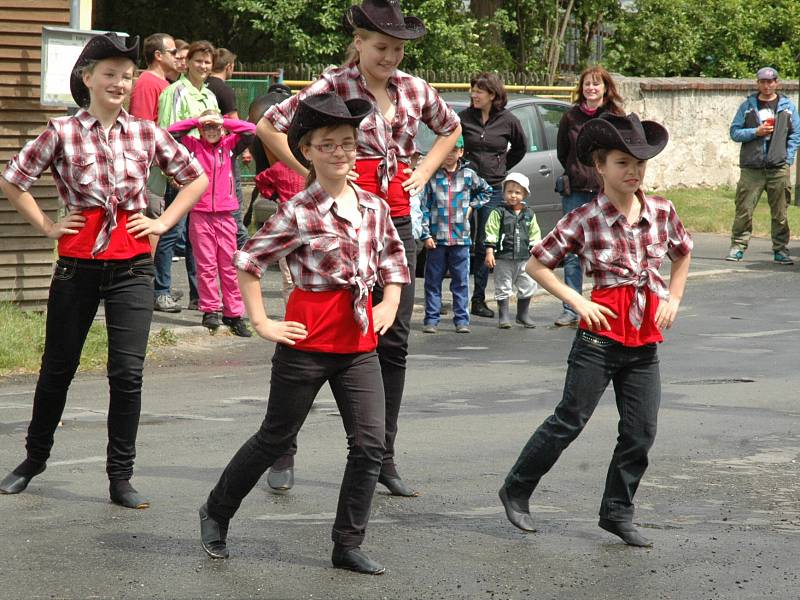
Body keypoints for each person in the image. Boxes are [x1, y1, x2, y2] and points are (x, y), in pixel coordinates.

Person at [198, 93, 409, 574]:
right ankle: (216, 511)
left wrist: (391, 303)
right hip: (306, 341)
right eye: (327, 144)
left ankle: (348, 544)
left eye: (348, 143)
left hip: (358, 342)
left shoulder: (375, 207)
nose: (340, 152)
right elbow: (248, 262)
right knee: (276, 437)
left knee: (371, 443)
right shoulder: (298, 210)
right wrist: (263, 321)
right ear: (308, 152)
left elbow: (395, 260)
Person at [258, 0, 461, 496]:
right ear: (358, 43)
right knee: (309, 335)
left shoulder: (414, 89)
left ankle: (381, 455)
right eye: (380, 47)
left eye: (396, 49)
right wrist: (310, 171)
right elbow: (268, 125)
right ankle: (281, 446)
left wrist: (427, 169)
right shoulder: (331, 86)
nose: (389, 56)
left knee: (392, 342)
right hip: (332, 222)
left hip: (391, 220)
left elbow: (452, 128)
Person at [0, 33, 206, 507]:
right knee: (58, 368)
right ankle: (33, 458)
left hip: (133, 264)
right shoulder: (61, 132)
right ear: (87, 78)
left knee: (127, 374)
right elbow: (15, 179)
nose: (118, 83)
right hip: (77, 265)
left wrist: (162, 222)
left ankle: (120, 477)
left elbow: (195, 178)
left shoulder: (147, 132)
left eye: (126, 76)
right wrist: (49, 226)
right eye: (109, 74)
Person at [497, 113, 692, 547]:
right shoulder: (585, 217)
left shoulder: (661, 210)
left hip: (643, 337)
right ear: (600, 166)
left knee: (641, 431)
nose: (633, 172)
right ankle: (516, 488)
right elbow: (536, 264)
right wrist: (579, 301)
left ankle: (617, 511)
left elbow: (683, 253)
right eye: (622, 163)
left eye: (639, 164)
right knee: (570, 419)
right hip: (598, 336)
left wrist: (673, 298)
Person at [168, 110, 255, 336]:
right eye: (206, 127)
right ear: (199, 129)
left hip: (226, 215)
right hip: (200, 213)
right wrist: (197, 121)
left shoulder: (229, 145)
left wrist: (223, 121)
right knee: (205, 265)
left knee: (228, 265)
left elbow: (251, 130)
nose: (212, 131)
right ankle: (210, 310)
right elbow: (172, 132)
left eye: (215, 127)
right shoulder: (194, 146)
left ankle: (234, 313)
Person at [554, 65, 625, 327]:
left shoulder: (615, 116)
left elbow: (623, 152)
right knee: (572, 252)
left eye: (596, 84)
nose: (591, 88)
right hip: (576, 191)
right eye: (587, 84)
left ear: (606, 88)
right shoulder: (570, 117)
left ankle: (606, 304)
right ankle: (572, 309)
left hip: (607, 191)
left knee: (608, 248)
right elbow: (564, 152)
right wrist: (577, 170)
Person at [153, 40, 219, 313]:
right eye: (198, 60)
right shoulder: (174, 92)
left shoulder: (210, 95)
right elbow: (166, 134)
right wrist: (172, 174)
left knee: (198, 236)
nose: (202, 66)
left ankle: (199, 295)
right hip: (180, 174)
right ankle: (160, 291)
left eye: (207, 61)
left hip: (204, 175)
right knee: (171, 232)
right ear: (187, 62)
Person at [459, 72, 528, 320]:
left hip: (494, 188)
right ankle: (459, 300)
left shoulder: (508, 120)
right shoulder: (464, 118)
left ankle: (478, 299)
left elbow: (520, 147)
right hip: (466, 187)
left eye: (478, 91)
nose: (473, 95)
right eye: (473, 90)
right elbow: (453, 143)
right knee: (460, 241)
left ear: (492, 94)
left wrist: (502, 166)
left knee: (484, 243)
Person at [726, 67, 800, 265]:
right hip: (752, 167)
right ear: (758, 83)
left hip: (778, 167)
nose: (767, 85)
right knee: (744, 209)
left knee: (780, 212)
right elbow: (734, 132)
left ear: (777, 83)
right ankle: (738, 246)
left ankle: (781, 250)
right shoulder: (748, 106)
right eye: (763, 82)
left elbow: (795, 134)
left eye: (770, 81)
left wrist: (788, 158)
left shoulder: (787, 107)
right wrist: (755, 132)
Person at [420, 136, 491, 334]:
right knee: (433, 281)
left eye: (454, 150)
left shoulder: (469, 175)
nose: (449, 155)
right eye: (446, 150)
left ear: (461, 152)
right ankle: (431, 319)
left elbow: (487, 191)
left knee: (460, 281)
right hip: (437, 238)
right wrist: (425, 234)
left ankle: (461, 319)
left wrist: (471, 206)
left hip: (461, 239)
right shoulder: (432, 176)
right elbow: (424, 206)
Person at [128, 33, 179, 252]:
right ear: (158, 55)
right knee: (149, 219)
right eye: (173, 52)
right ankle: (143, 273)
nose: (177, 57)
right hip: (151, 167)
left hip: (162, 165)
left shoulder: (164, 83)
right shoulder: (147, 83)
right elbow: (142, 126)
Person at [484, 173, 541, 329]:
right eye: (509, 192)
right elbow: (491, 231)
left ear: (524, 194)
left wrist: (536, 252)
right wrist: (490, 251)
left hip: (524, 257)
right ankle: (503, 316)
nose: (513, 195)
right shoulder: (498, 212)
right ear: (504, 193)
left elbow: (535, 233)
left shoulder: (529, 213)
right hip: (504, 256)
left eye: (517, 192)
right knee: (503, 285)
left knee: (528, 284)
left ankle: (522, 315)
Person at [206, 48, 250, 248]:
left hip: (204, 151)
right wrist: (246, 150)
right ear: (229, 66)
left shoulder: (203, 86)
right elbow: (235, 121)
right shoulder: (223, 89)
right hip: (225, 151)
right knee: (234, 200)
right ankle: (241, 247)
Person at [254, 155, 305, 304]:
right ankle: (290, 314)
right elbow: (260, 181)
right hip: (286, 226)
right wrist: (274, 196)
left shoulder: (313, 165)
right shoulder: (279, 167)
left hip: (310, 224)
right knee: (289, 278)